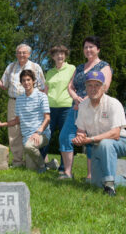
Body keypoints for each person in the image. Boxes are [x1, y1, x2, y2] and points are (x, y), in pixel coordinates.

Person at [72, 71, 126, 196]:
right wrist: (79, 138)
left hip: (119, 142)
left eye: (97, 85)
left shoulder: (113, 104)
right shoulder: (82, 106)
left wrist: (90, 139)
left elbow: (115, 134)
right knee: (96, 183)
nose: (93, 89)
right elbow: (81, 130)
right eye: (90, 85)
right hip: (96, 144)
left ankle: (110, 187)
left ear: (104, 87)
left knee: (105, 143)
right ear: (86, 88)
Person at [59, 36, 112, 180]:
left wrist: (86, 101)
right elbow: (70, 86)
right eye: (85, 47)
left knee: (90, 141)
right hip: (75, 108)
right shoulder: (80, 68)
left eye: (91, 47)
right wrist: (75, 98)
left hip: (93, 108)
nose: (88, 50)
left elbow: (104, 87)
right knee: (64, 137)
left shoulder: (104, 66)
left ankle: (90, 176)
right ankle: (68, 173)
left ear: (98, 49)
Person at [0, 44, 45, 168]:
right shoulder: (11, 67)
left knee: (31, 129)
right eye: (19, 52)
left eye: (24, 52)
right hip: (14, 101)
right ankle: (17, 161)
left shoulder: (35, 67)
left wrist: (40, 105)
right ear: (16, 54)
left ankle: (34, 160)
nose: (21, 55)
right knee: (14, 132)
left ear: (29, 54)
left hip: (30, 102)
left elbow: (42, 88)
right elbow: (4, 85)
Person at [43, 45, 76, 173]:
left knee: (65, 137)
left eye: (62, 53)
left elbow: (73, 87)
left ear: (65, 55)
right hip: (50, 108)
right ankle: (41, 164)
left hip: (66, 108)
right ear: (53, 56)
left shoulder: (72, 69)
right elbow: (46, 91)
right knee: (46, 135)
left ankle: (64, 168)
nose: (60, 56)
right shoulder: (50, 72)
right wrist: (43, 108)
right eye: (57, 54)